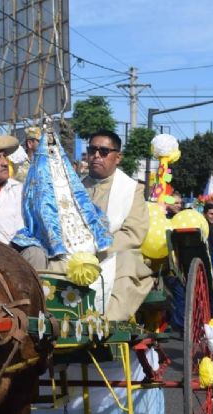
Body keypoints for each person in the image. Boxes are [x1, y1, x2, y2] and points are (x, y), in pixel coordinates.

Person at [81, 130, 153, 321]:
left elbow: (133, 233)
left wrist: (96, 249)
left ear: (117, 157)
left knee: (126, 262)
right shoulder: (75, 188)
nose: (96, 156)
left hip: (115, 254)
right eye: (92, 150)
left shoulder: (131, 189)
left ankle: (104, 324)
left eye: (104, 151)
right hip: (76, 255)